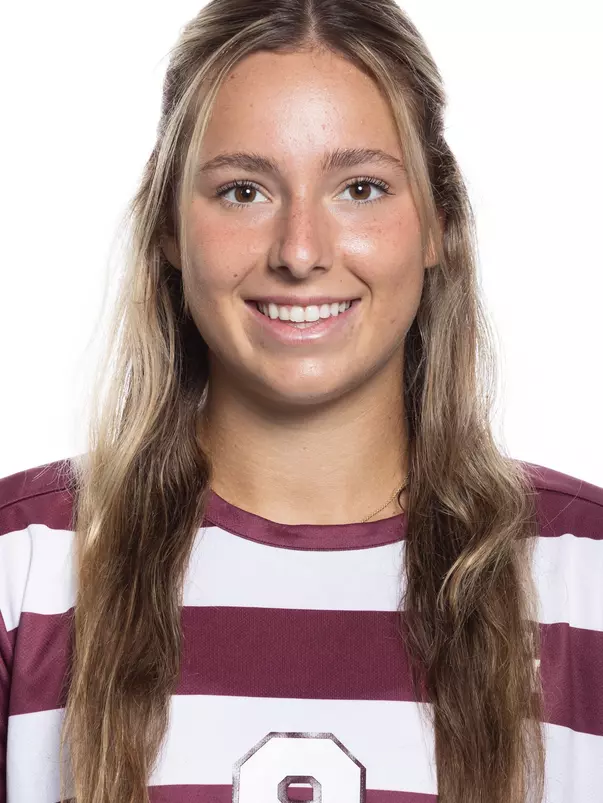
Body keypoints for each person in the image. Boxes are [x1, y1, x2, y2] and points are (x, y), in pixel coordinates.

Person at [0, 0, 601, 801]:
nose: (300, 252)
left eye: (359, 186)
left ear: (437, 225)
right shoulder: (23, 566)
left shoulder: (583, 574)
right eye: (244, 190)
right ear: (170, 229)